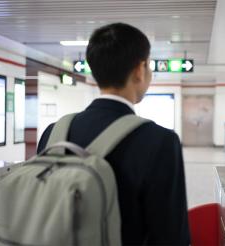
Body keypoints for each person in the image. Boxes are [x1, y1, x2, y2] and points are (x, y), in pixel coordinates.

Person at [37, 23, 190, 245]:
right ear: (139, 69)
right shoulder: (160, 141)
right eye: (148, 66)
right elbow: (171, 237)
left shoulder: (53, 133)